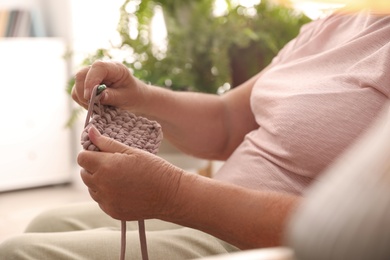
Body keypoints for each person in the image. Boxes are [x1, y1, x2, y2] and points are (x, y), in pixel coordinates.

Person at [1, 7, 389, 260]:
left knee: (20, 252)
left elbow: (359, 236)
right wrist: (141, 96)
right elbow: (226, 123)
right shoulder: (338, 25)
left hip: (261, 240)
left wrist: (174, 195)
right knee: (44, 224)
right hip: (207, 211)